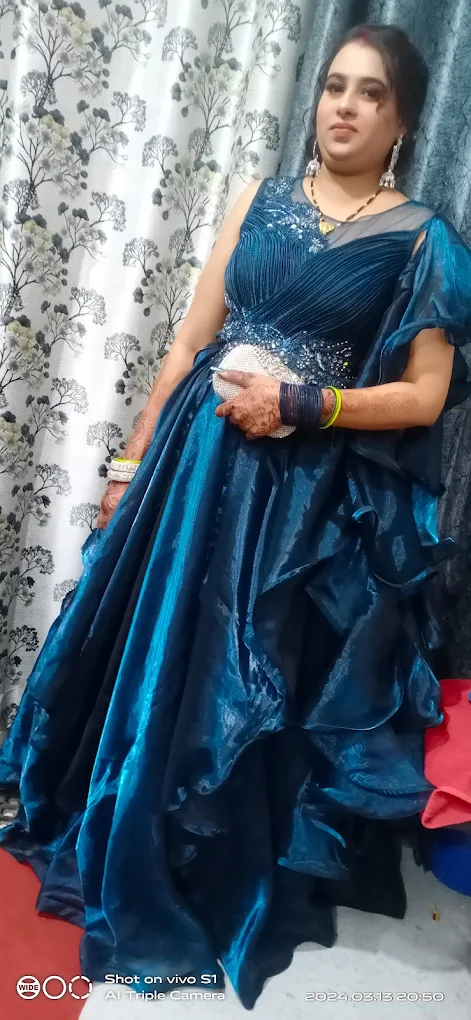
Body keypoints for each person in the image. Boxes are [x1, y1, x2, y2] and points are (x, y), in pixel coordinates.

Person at [1, 22, 471, 1011]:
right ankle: (118, 810)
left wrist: (305, 403)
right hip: (191, 462)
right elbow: (188, 345)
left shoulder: (421, 239)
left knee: (240, 666)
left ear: (402, 120)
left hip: (293, 497)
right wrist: (131, 462)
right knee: (151, 648)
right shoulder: (258, 201)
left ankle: (201, 855)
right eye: (334, 85)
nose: (343, 106)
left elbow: (427, 396)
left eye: (370, 93)